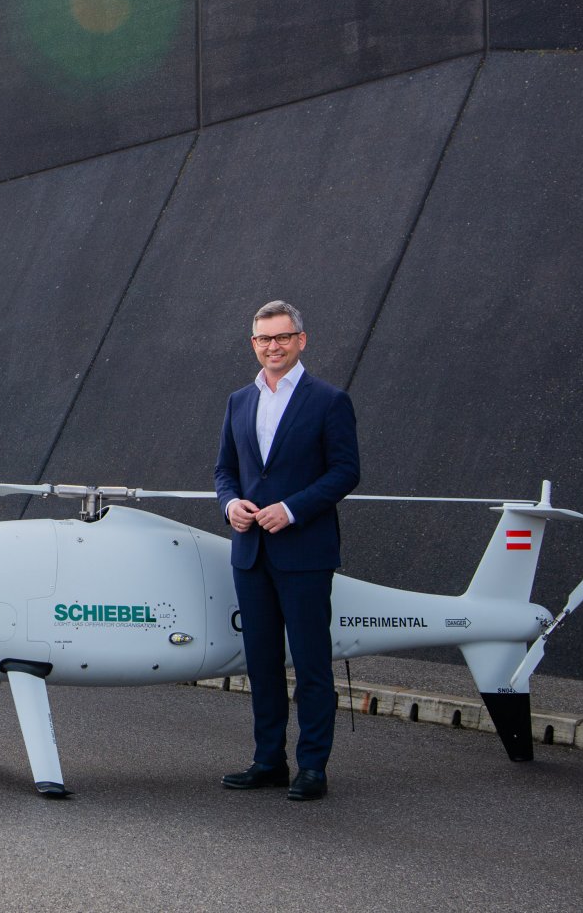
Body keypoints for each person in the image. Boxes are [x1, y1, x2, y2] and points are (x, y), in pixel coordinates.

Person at [214, 300, 359, 801]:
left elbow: (345, 472)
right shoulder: (238, 401)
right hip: (250, 552)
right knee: (262, 662)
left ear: (301, 339)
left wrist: (291, 509)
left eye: (281, 337)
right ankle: (268, 760)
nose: (272, 347)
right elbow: (224, 471)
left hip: (304, 552)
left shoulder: (329, 400)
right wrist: (230, 503)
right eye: (262, 339)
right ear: (253, 344)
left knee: (312, 664)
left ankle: (313, 766)